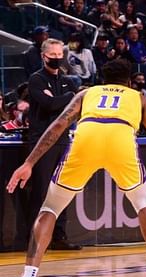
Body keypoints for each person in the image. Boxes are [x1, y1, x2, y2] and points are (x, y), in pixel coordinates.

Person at [6, 59, 146, 277]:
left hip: (87, 136)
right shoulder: (139, 98)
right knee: (143, 203)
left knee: (50, 208)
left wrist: (29, 163)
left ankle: (28, 276)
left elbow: (58, 125)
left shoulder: (87, 93)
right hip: (120, 138)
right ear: (130, 82)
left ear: (103, 79)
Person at [26, 38, 81, 251]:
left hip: (64, 141)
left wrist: (64, 99)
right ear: (43, 56)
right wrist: (67, 97)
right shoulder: (36, 80)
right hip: (41, 141)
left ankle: (59, 237)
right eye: (53, 56)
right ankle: (35, 239)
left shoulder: (67, 80)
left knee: (62, 189)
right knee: (41, 191)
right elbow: (49, 105)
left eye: (60, 55)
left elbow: (75, 107)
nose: (57, 59)